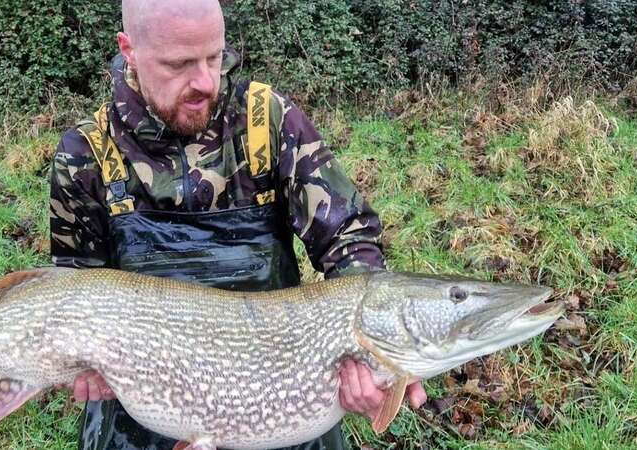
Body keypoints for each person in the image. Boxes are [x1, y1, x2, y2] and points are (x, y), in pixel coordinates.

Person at [49, 1, 427, 449]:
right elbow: (74, 290)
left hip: (280, 389)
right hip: (145, 404)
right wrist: (78, 362)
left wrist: (373, 350)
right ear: (129, 50)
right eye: (179, 64)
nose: (206, 81)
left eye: (215, 57)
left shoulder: (268, 120)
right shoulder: (86, 154)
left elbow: (348, 235)